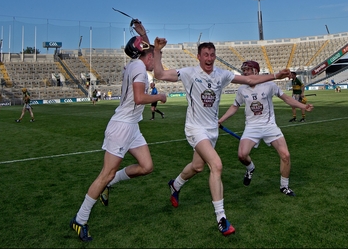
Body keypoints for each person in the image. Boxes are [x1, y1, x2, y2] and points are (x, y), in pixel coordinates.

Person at [153, 38, 290, 236]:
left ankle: (175, 185)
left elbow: (250, 80)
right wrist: (157, 50)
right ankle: (221, 218)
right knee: (216, 165)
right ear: (198, 57)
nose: (209, 58)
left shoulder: (222, 74)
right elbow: (159, 74)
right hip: (195, 128)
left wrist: (276, 75)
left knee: (198, 166)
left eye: (212, 54)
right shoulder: (189, 73)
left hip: (211, 130)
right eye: (205, 55)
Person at [70, 21, 166, 242]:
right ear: (146, 55)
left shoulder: (136, 63)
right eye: (152, 54)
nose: (155, 58)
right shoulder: (140, 69)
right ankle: (80, 219)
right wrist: (159, 97)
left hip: (131, 126)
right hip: (122, 127)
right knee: (106, 173)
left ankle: (109, 186)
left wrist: (143, 34)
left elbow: (147, 51)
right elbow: (141, 98)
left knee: (147, 166)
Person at [218, 60, 313, 197]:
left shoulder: (269, 85)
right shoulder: (242, 89)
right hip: (252, 127)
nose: (245, 72)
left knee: (285, 155)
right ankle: (250, 169)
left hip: (269, 126)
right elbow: (235, 106)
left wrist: (303, 106)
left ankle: (284, 186)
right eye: (244, 70)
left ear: (256, 71)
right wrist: (220, 120)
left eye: (248, 70)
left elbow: (286, 98)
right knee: (242, 155)